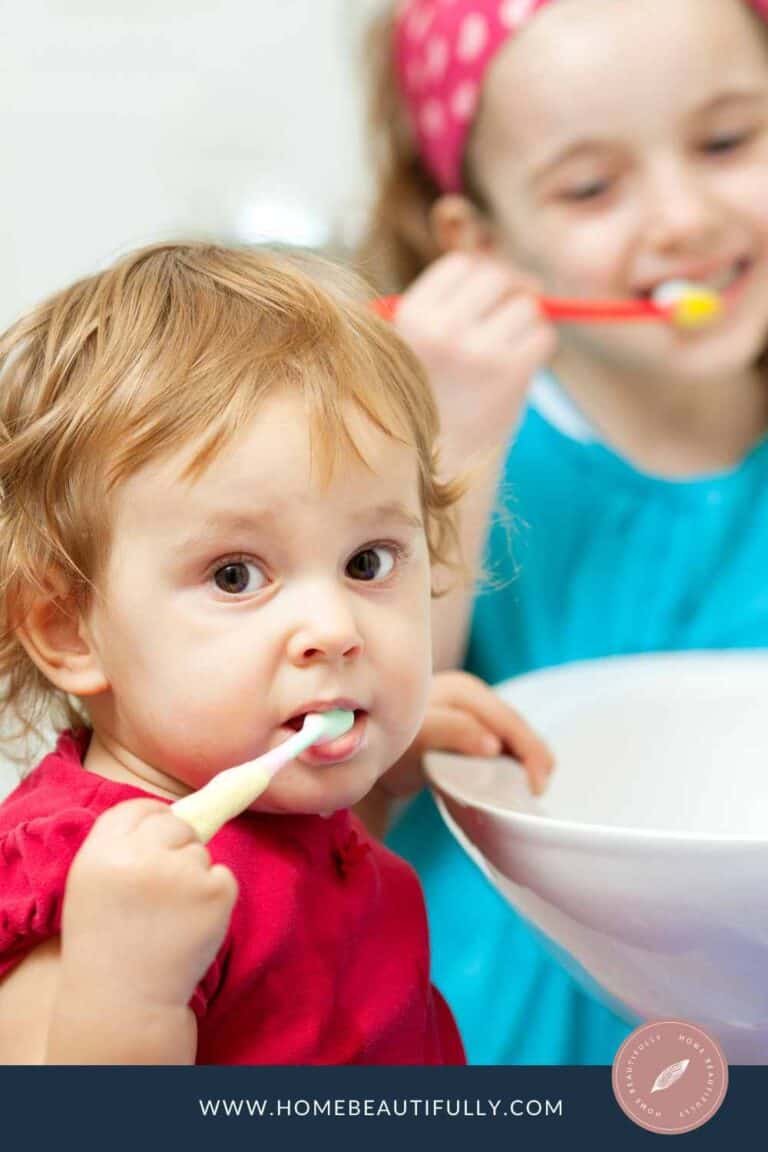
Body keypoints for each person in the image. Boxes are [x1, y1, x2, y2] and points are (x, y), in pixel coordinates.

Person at [0, 242, 551, 1064]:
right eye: (235, 575)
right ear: (69, 630)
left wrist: (390, 758)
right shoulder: (91, 889)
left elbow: (294, 913)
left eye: (368, 561)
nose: (335, 628)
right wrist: (125, 994)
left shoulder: (272, 792)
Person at [359, 0, 768, 1063]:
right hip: (507, 1046)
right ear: (480, 244)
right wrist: (451, 450)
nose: (681, 216)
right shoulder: (442, 456)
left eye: (728, 141)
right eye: (591, 187)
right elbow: (363, 732)